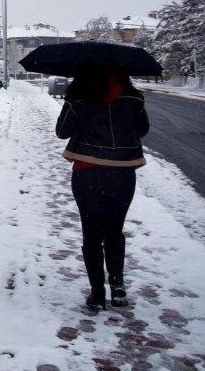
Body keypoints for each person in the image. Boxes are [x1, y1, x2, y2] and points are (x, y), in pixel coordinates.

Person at [55, 66, 149, 312]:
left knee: (92, 232)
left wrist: (71, 102)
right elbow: (142, 130)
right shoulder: (134, 97)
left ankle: (97, 293)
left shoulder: (80, 97)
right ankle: (118, 287)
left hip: (88, 172)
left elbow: (61, 131)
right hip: (122, 172)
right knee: (115, 229)